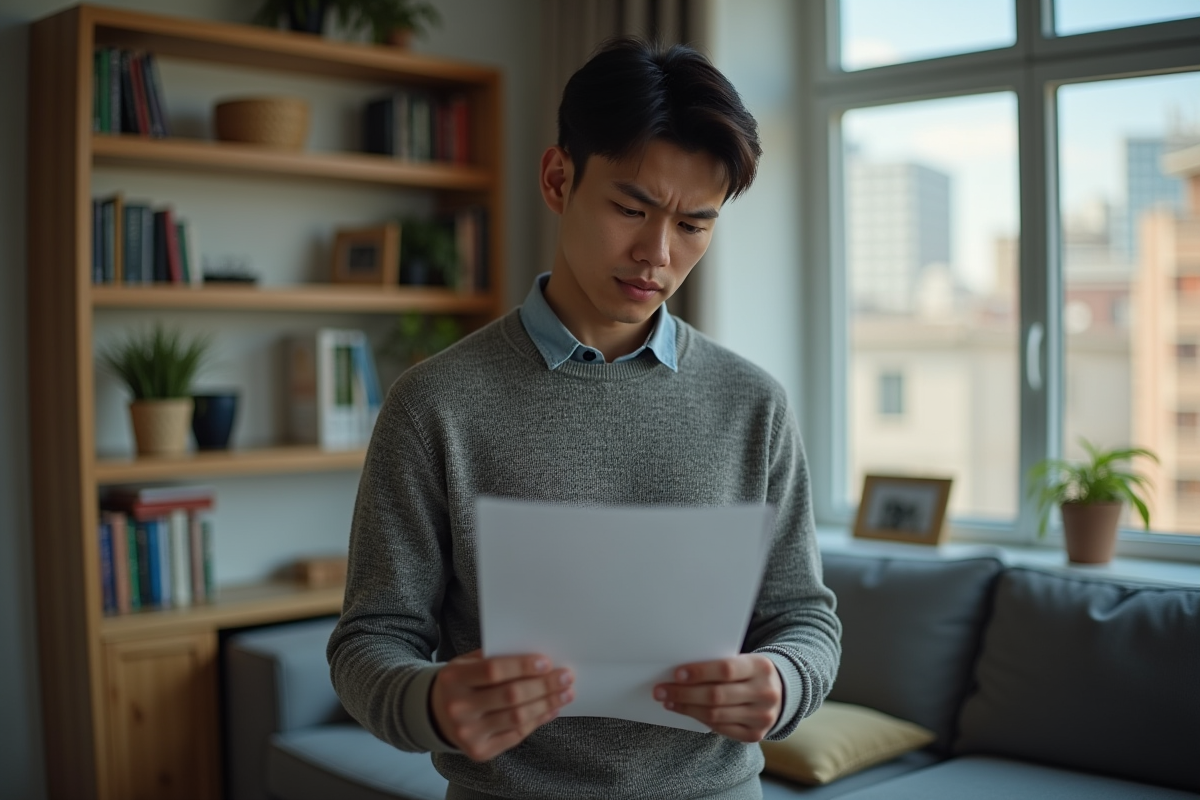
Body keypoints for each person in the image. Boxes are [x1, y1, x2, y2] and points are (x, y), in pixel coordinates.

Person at [328, 36, 841, 800]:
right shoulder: (435, 402)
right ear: (558, 178)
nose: (656, 255)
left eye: (694, 225)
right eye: (631, 208)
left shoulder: (753, 405)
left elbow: (805, 617)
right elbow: (369, 640)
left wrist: (784, 680)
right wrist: (431, 701)